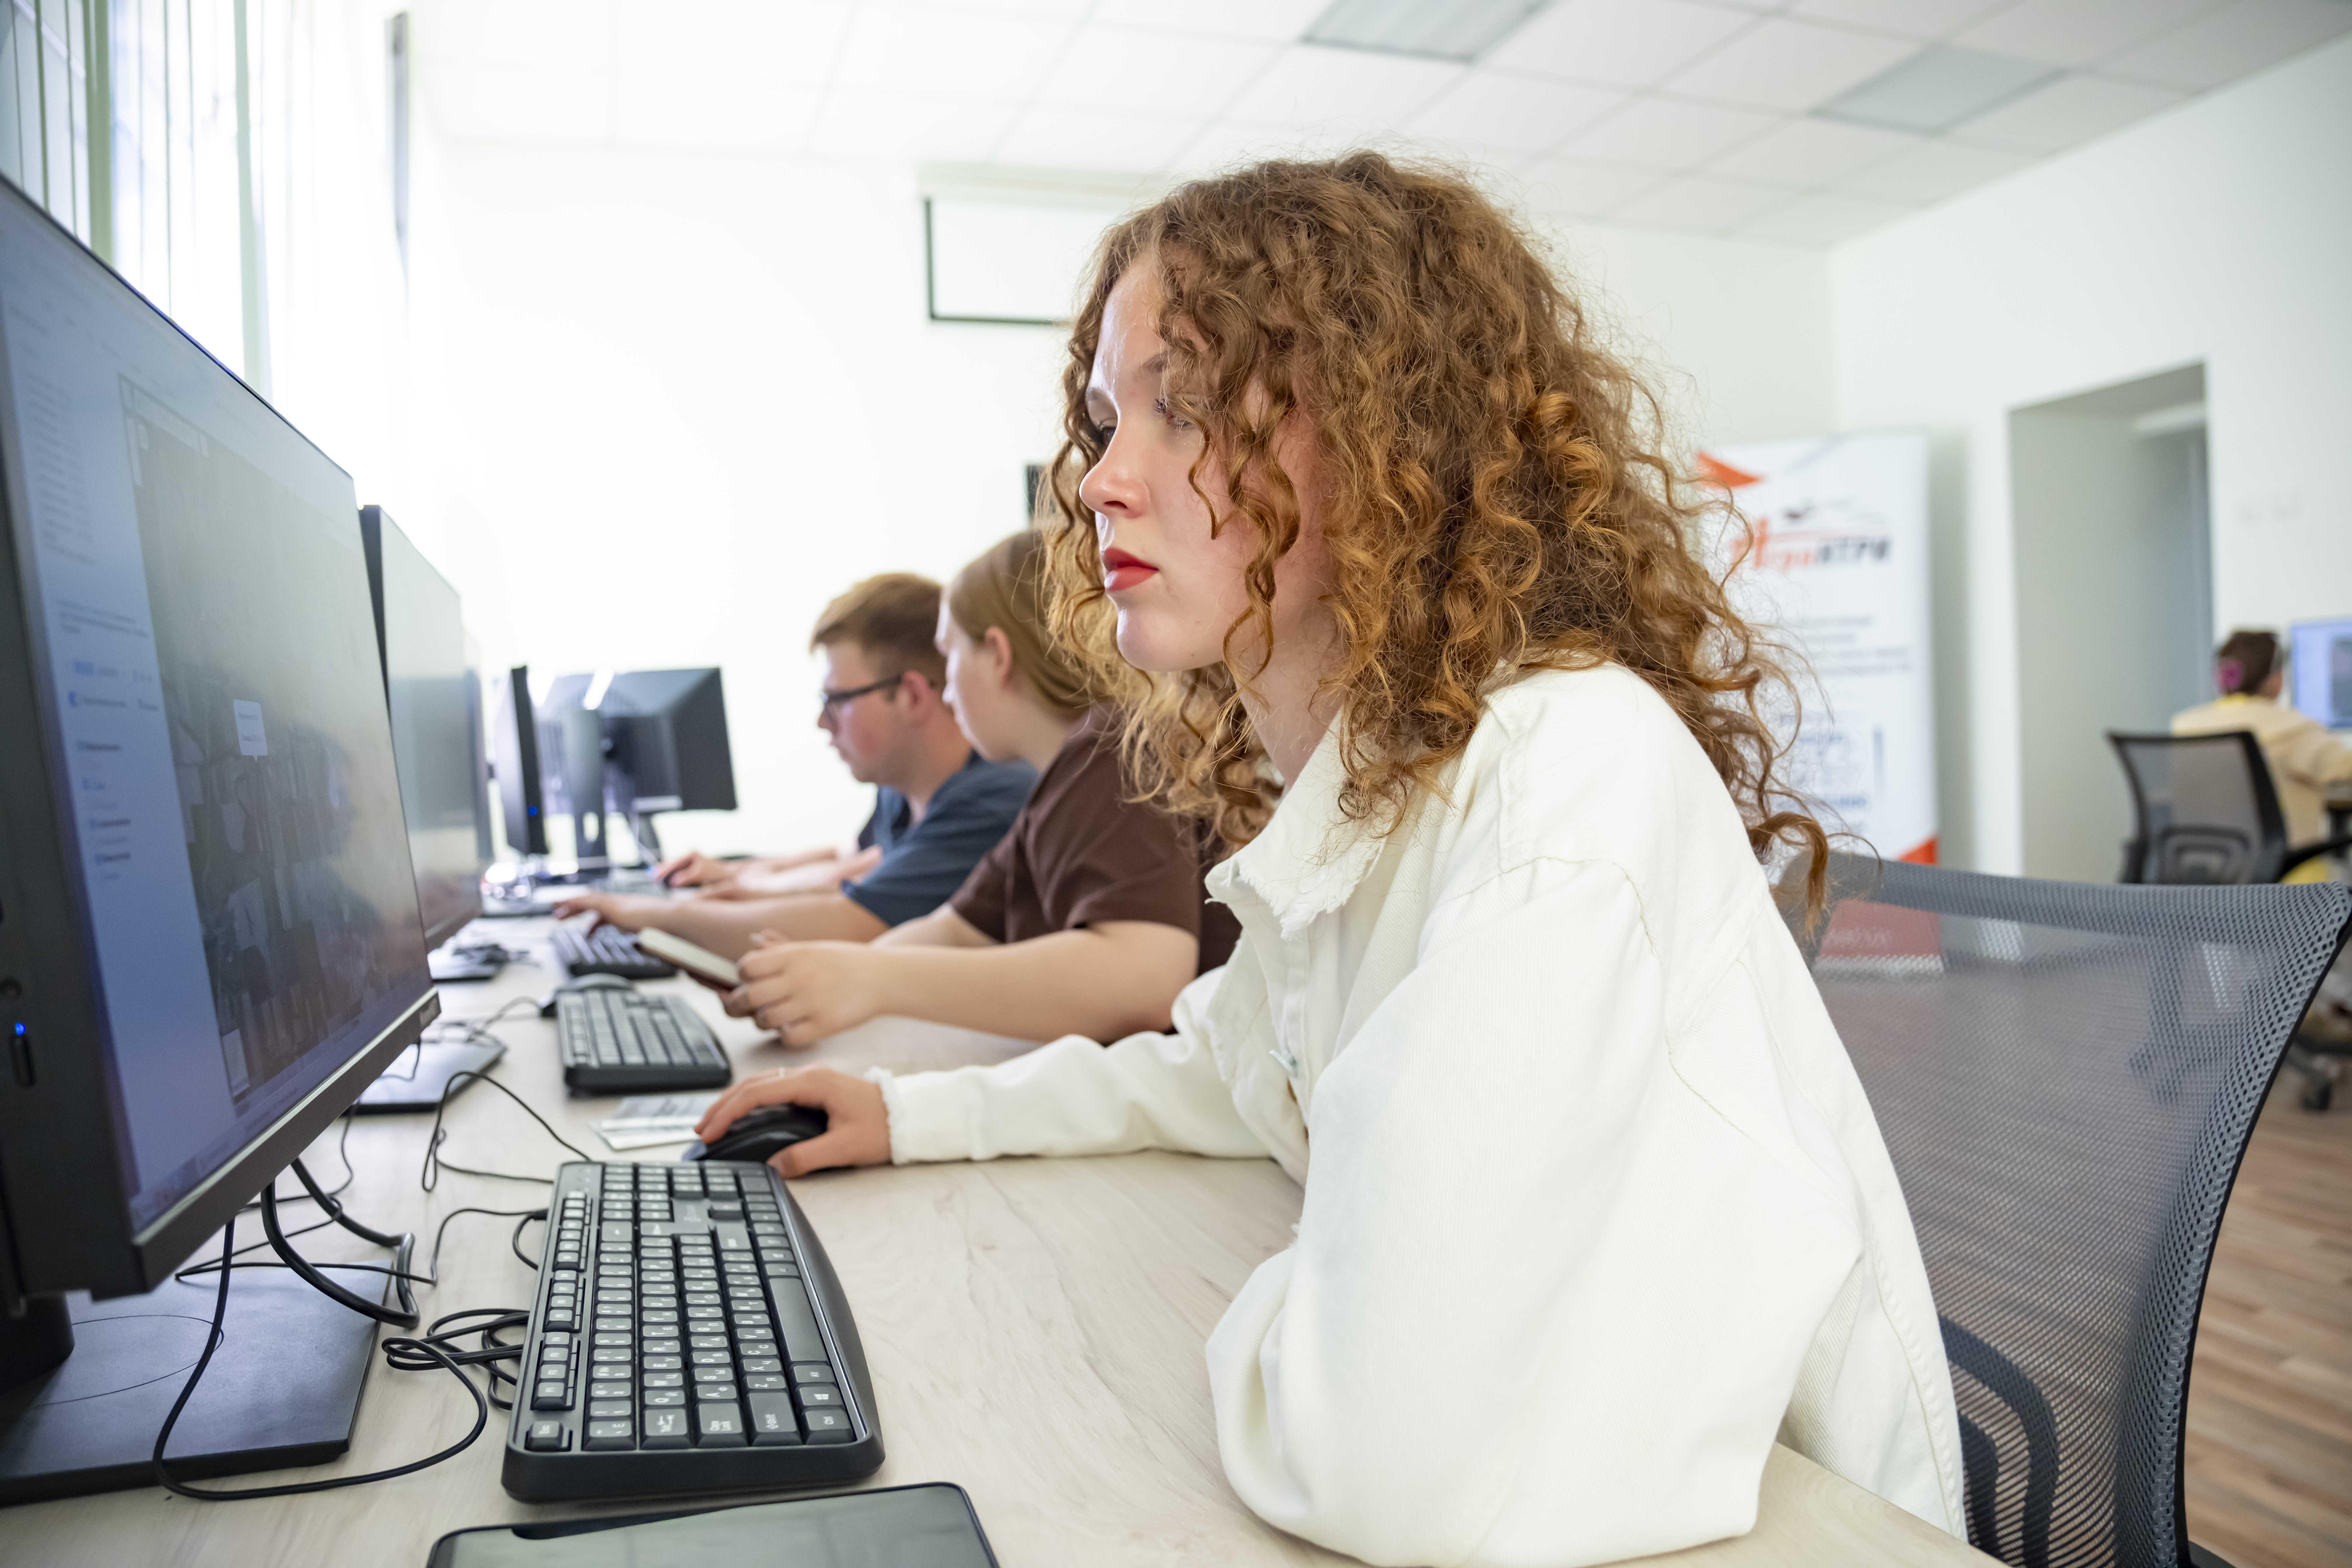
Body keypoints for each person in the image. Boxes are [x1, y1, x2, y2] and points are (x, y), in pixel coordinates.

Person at [694, 155, 1965, 1564]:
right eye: (1108, 421)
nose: (1102, 480)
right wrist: (912, 1116)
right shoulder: (1387, 774)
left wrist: (1300, 1282)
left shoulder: (1560, 780)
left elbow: (1381, 1462)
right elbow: (1229, 1063)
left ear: (1386, 438)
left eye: (1185, 407)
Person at [719, 530, 1237, 1046]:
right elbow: (955, 930)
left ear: (997, 655)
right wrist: (816, 975)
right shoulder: (1057, 789)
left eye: (949, 658)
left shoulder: (1111, 749)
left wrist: (869, 979)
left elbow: (1139, 982)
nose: (945, 692)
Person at [554, 574, 1033, 959]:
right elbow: (858, 858)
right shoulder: (905, 790)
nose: (823, 722)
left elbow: (849, 922)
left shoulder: (990, 800)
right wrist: (740, 877)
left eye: (837, 700)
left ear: (910, 695)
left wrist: (649, 913)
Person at [2172, 628, 2352, 857]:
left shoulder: (2184, 726)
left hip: (2210, 871)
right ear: (2276, 680)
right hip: (2287, 874)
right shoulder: (2294, 729)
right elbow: (2345, 769)